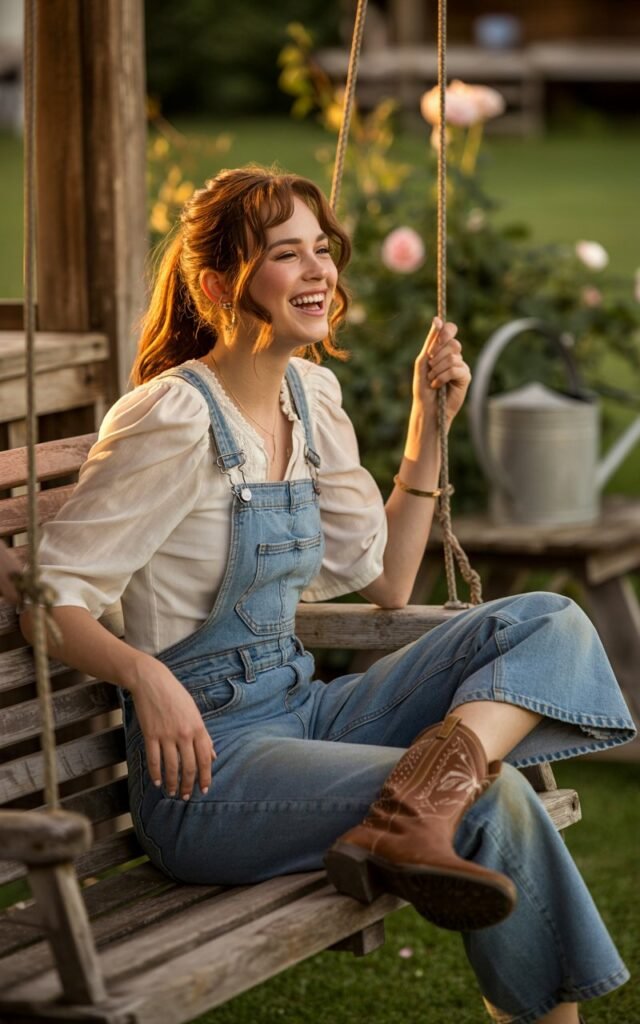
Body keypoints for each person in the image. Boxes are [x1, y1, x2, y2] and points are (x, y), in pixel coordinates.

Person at [21, 166, 634, 1024]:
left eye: (323, 251)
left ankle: (422, 796)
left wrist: (428, 428)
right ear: (217, 286)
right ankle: (437, 799)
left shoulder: (312, 396)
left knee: (548, 619)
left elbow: (381, 579)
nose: (318, 273)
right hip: (211, 767)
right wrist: (143, 675)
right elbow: (51, 598)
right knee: (492, 796)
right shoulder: (172, 419)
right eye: (285, 255)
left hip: (302, 710)